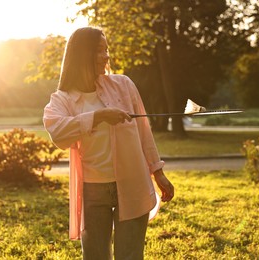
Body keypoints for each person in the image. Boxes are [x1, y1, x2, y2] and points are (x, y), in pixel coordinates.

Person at [43, 27, 174, 260]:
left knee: (130, 256)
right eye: (98, 51)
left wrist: (158, 171)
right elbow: (58, 134)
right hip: (93, 191)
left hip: (133, 182)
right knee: (95, 256)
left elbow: (144, 132)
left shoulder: (123, 85)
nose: (106, 56)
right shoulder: (62, 99)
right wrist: (99, 116)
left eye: (106, 50)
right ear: (81, 55)